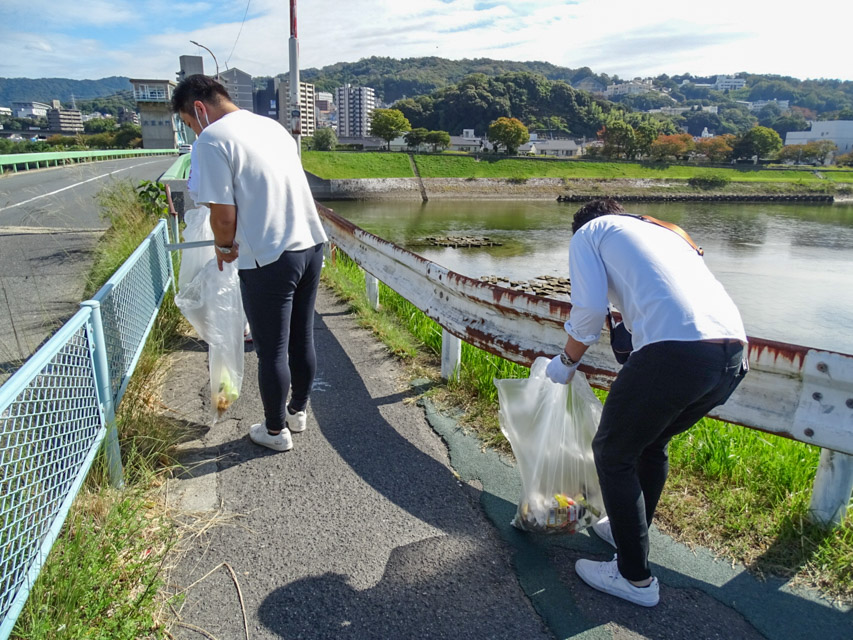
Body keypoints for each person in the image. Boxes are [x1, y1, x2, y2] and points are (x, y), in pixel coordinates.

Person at [545, 198, 747, 607]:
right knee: (649, 445)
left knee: (612, 451)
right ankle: (627, 536)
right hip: (733, 356)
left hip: (678, 351)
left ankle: (634, 578)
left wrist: (566, 362)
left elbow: (587, 311)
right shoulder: (668, 233)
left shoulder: (590, 233)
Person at [171, 74, 328, 453]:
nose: (194, 133)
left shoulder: (212, 140)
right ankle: (297, 412)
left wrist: (224, 249)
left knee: (271, 349)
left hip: (269, 257)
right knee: (302, 337)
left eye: (191, 125)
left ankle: (274, 432)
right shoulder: (272, 128)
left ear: (199, 109)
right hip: (310, 244)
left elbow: (223, 216)